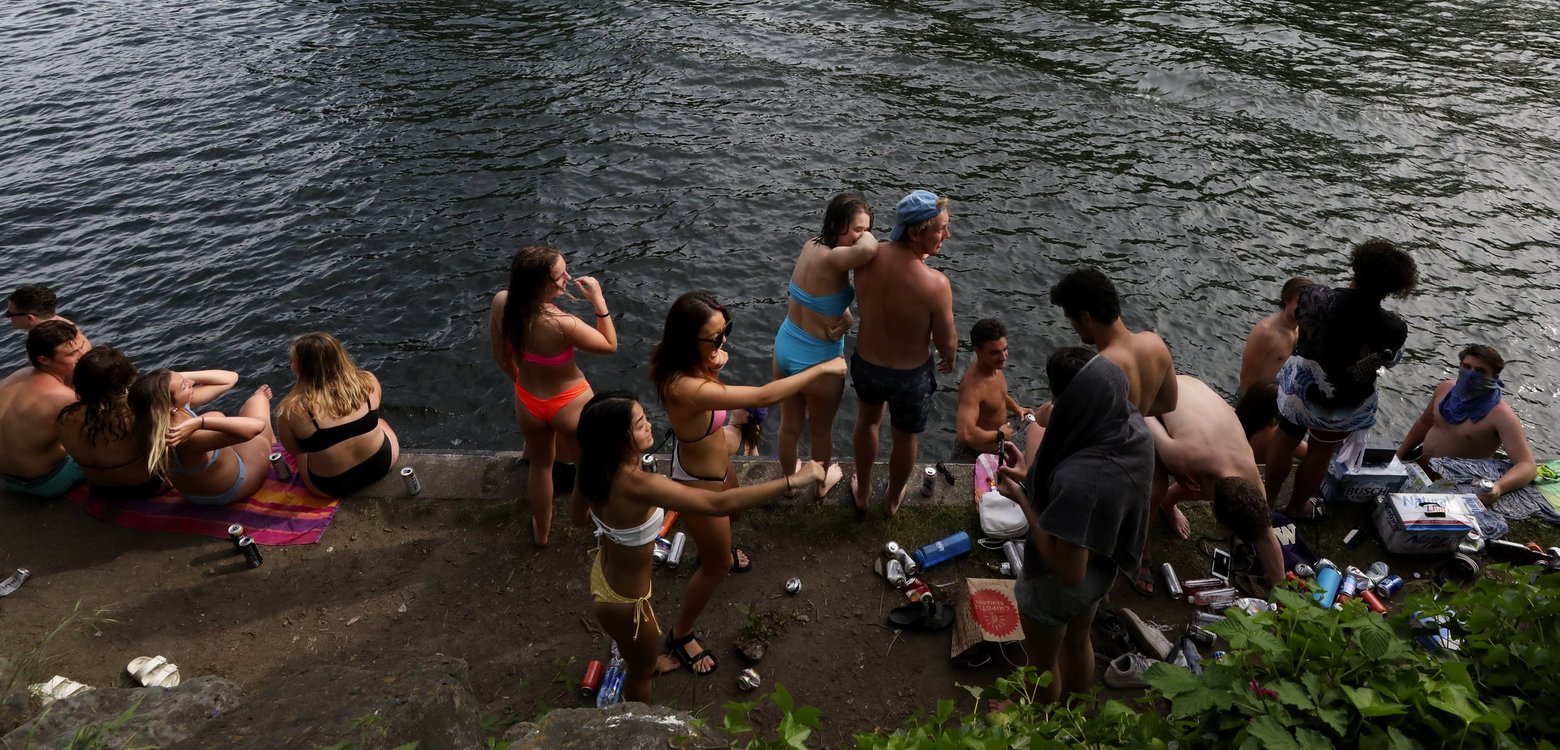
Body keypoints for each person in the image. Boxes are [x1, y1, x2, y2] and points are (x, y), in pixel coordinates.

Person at [575, 391, 826, 701]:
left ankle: (645, 657)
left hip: (605, 577)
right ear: (616, 441)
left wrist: (620, 525)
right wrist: (792, 481)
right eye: (640, 424)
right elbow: (717, 503)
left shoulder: (592, 467)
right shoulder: (640, 485)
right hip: (628, 604)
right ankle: (642, 708)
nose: (650, 425)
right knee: (639, 674)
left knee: (640, 653)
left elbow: (578, 518)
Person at [649, 291, 845, 674]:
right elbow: (763, 395)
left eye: (727, 330)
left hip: (717, 466)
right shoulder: (683, 386)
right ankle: (681, 633)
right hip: (698, 483)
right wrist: (822, 368)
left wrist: (713, 364)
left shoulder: (692, 366)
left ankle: (713, 549)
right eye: (716, 338)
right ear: (689, 341)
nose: (724, 342)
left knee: (733, 518)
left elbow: (713, 403)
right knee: (718, 566)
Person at [993, 353, 1152, 703]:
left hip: (1059, 586)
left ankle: (1037, 719)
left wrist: (1023, 498)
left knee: (1043, 662)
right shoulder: (1132, 430)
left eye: (1055, 401)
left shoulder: (1081, 482)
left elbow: (1068, 572)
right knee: (1079, 641)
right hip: (1102, 566)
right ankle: (1073, 712)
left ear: (1066, 402)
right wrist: (1030, 477)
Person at [1263, 240, 1417, 518]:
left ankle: (1266, 503)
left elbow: (1301, 321)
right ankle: (1297, 507)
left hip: (1300, 390)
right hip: (1344, 402)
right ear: (1392, 289)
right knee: (1320, 455)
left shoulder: (1315, 297)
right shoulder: (1394, 327)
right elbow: (1390, 360)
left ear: (1356, 268)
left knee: (1284, 440)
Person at [488, 245, 617, 546]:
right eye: (560, 276)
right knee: (586, 466)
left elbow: (501, 356)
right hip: (570, 403)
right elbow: (609, 344)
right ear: (539, 284)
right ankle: (582, 516)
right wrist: (598, 300)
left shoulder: (501, 303)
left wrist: (521, 383)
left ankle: (542, 533)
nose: (567, 278)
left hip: (529, 402)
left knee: (541, 465)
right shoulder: (562, 324)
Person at [850, 189, 957, 515]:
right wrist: (949, 358)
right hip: (910, 377)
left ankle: (863, 491)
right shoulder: (935, 284)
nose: (947, 235)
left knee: (867, 421)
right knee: (905, 437)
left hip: (867, 365)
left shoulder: (866, 258)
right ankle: (893, 499)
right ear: (915, 233)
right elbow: (946, 340)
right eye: (941, 229)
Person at [773, 193, 879, 497]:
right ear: (836, 224)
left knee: (789, 426)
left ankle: (789, 485)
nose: (862, 236)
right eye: (857, 229)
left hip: (785, 346)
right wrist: (868, 239)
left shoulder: (810, 245)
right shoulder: (835, 258)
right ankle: (821, 485)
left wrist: (844, 318)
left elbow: (816, 297)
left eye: (867, 229)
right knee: (820, 431)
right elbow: (869, 250)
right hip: (818, 358)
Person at [1395, 345, 1537, 502]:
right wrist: (1398, 455)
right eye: (1467, 367)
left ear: (1495, 377)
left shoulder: (1502, 415)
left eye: (1480, 371)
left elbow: (1527, 466)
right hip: (1420, 465)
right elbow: (1424, 423)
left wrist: (1498, 487)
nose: (1471, 374)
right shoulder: (1444, 389)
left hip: (1454, 484)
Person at [1143, 375, 1269, 548]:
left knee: (1191, 476)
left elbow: (1266, 532)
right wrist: (1178, 468)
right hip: (1156, 389)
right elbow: (1144, 413)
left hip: (1190, 390)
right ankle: (1141, 549)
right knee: (1156, 491)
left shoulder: (1251, 475)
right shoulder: (1180, 457)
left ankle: (1168, 504)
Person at [275, 333, 401, 498]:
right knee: (379, 421)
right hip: (381, 465)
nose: (291, 365)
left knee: (303, 452)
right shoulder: (368, 380)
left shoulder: (290, 409)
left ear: (301, 367)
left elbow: (294, 449)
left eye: (292, 361)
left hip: (331, 487)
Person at [129, 370, 274, 506]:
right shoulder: (185, 437)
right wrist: (200, 422)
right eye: (184, 386)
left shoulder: (151, 420)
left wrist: (172, 378)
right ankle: (272, 444)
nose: (191, 383)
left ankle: (265, 443)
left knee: (217, 415)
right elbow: (256, 427)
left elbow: (230, 378)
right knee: (258, 402)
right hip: (232, 489)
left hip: (194, 492)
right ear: (169, 405)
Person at [1049, 267, 1177, 419]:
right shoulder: (1156, 344)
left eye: (1070, 319)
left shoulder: (1098, 368)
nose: (1073, 327)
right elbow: (1169, 404)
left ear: (1085, 318)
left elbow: (1073, 419)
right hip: (1137, 432)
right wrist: (1132, 415)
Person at [57, 347, 170, 501]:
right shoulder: (131, 414)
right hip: (144, 488)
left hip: (100, 489)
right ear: (123, 380)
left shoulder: (65, 417)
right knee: (177, 417)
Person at [0, 321, 90, 497]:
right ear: (44, 359)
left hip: (8, 480)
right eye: (72, 354)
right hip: (46, 482)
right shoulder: (64, 398)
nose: (83, 355)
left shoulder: (15, 377)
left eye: (81, 348)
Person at [1237, 277, 1313, 461]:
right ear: (1287, 299)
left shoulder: (1299, 331)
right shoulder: (1266, 332)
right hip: (1257, 403)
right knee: (1249, 453)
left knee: (1280, 451)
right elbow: (1246, 378)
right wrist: (1253, 414)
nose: (1304, 309)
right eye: (1300, 303)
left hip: (1280, 402)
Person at [955, 319, 1036, 459]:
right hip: (975, 455)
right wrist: (999, 435)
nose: (1003, 357)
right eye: (995, 352)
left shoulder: (993, 368)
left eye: (1005, 349)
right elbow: (964, 434)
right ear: (978, 351)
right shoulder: (973, 388)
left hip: (998, 445)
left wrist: (1017, 408)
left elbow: (999, 396)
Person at [5, 284, 72, 332]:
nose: (8, 318)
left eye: (9, 314)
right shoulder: (67, 325)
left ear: (30, 318)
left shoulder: (42, 342)